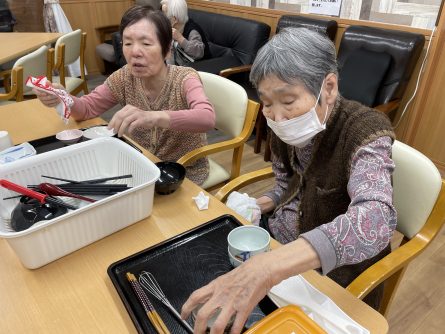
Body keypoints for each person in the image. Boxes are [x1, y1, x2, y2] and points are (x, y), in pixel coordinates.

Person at [180, 27, 397, 333]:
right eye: (267, 102)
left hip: (333, 271)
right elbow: (287, 185)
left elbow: (376, 220)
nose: (277, 117)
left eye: (288, 100)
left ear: (329, 87)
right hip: (278, 243)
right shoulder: (282, 123)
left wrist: (269, 267)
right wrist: (256, 205)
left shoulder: (364, 131)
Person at [34, 6, 215, 186]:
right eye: (128, 43)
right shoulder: (124, 77)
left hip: (181, 173)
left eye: (146, 43)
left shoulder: (185, 78)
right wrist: (64, 98)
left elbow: (207, 118)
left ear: (167, 49)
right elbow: (87, 109)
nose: (135, 52)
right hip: (141, 164)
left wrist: (153, 117)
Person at [160, 0, 210, 66]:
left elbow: (199, 53)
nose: (161, 17)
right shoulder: (170, 28)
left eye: (164, 14)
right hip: (179, 68)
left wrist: (180, 39)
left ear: (174, 19)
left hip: (200, 68)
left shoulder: (193, 31)